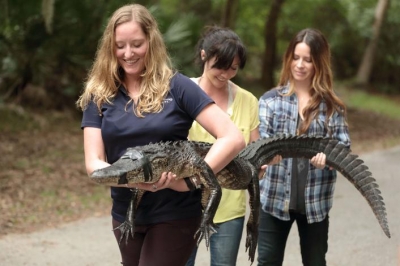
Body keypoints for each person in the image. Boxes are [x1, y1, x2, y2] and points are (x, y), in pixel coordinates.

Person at [76, 4, 245, 266]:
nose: (128, 53)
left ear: (151, 42)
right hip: (126, 214)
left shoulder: (177, 86)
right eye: (120, 45)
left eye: (137, 44)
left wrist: (190, 182)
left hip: (175, 213)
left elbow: (232, 138)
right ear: (110, 46)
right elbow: (94, 163)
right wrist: (134, 183)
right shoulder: (99, 94)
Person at [257, 28, 351, 266]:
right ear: (288, 58)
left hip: (315, 202)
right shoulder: (270, 101)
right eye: (296, 57)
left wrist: (328, 160)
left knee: (316, 262)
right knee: (267, 262)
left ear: (318, 63)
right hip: (274, 200)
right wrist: (268, 158)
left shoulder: (332, 106)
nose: (300, 64)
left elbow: (343, 147)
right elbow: (260, 144)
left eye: (308, 60)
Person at [186, 26, 270, 266]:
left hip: (230, 207)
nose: (225, 74)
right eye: (220, 66)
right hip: (185, 204)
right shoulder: (182, 92)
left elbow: (255, 151)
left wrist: (261, 166)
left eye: (233, 68)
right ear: (204, 55)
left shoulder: (248, 101)